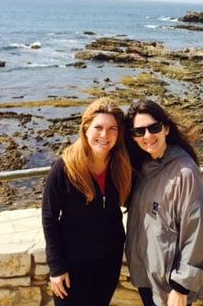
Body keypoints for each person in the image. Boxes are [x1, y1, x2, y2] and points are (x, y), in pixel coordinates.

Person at [125, 99, 203, 306]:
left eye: (154, 128)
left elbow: (200, 230)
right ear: (132, 137)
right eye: (139, 131)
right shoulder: (143, 168)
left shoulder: (184, 172)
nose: (148, 136)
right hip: (146, 277)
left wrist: (181, 286)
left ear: (166, 129)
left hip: (170, 286)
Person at [42, 97, 132, 306]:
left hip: (109, 261)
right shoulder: (65, 167)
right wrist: (56, 267)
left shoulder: (122, 164)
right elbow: (49, 217)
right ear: (85, 129)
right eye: (98, 127)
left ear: (119, 134)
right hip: (72, 264)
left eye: (112, 129)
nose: (104, 135)